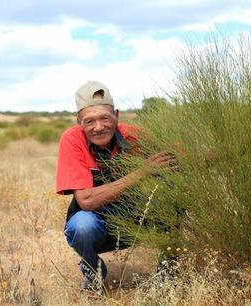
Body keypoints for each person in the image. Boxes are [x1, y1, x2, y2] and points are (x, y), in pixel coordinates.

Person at [56, 81, 175, 291]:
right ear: (79, 122)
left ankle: (168, 271)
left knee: (173, 198)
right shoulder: (72, 139)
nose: (99, 127)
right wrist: (141, 172)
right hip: (97, 221)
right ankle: (94, 273)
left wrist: (231, 150)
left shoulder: (134, 135)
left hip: (136, 216)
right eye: (89, 121)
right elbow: (86, 200)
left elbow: (177, 156)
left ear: (117, 116)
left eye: (105, 118)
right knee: (82, 226)